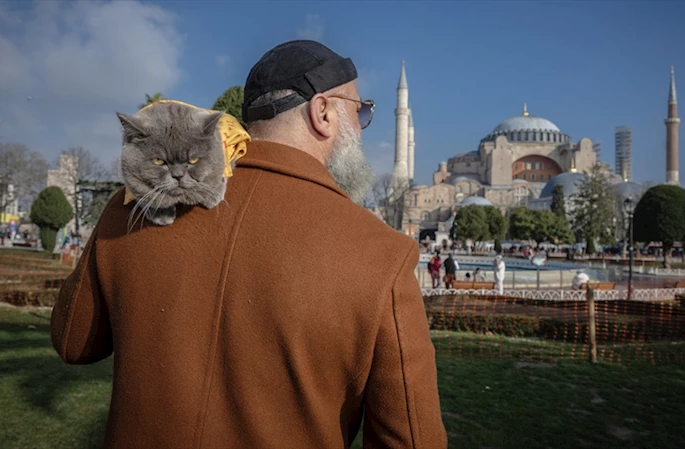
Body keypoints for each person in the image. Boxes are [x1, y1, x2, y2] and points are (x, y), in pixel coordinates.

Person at [50, 40, 446, 448]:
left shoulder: (133, 209)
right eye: (361, 111)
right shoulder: (382, 254)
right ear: (323, 111)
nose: (364, 126)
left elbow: (73, 342)